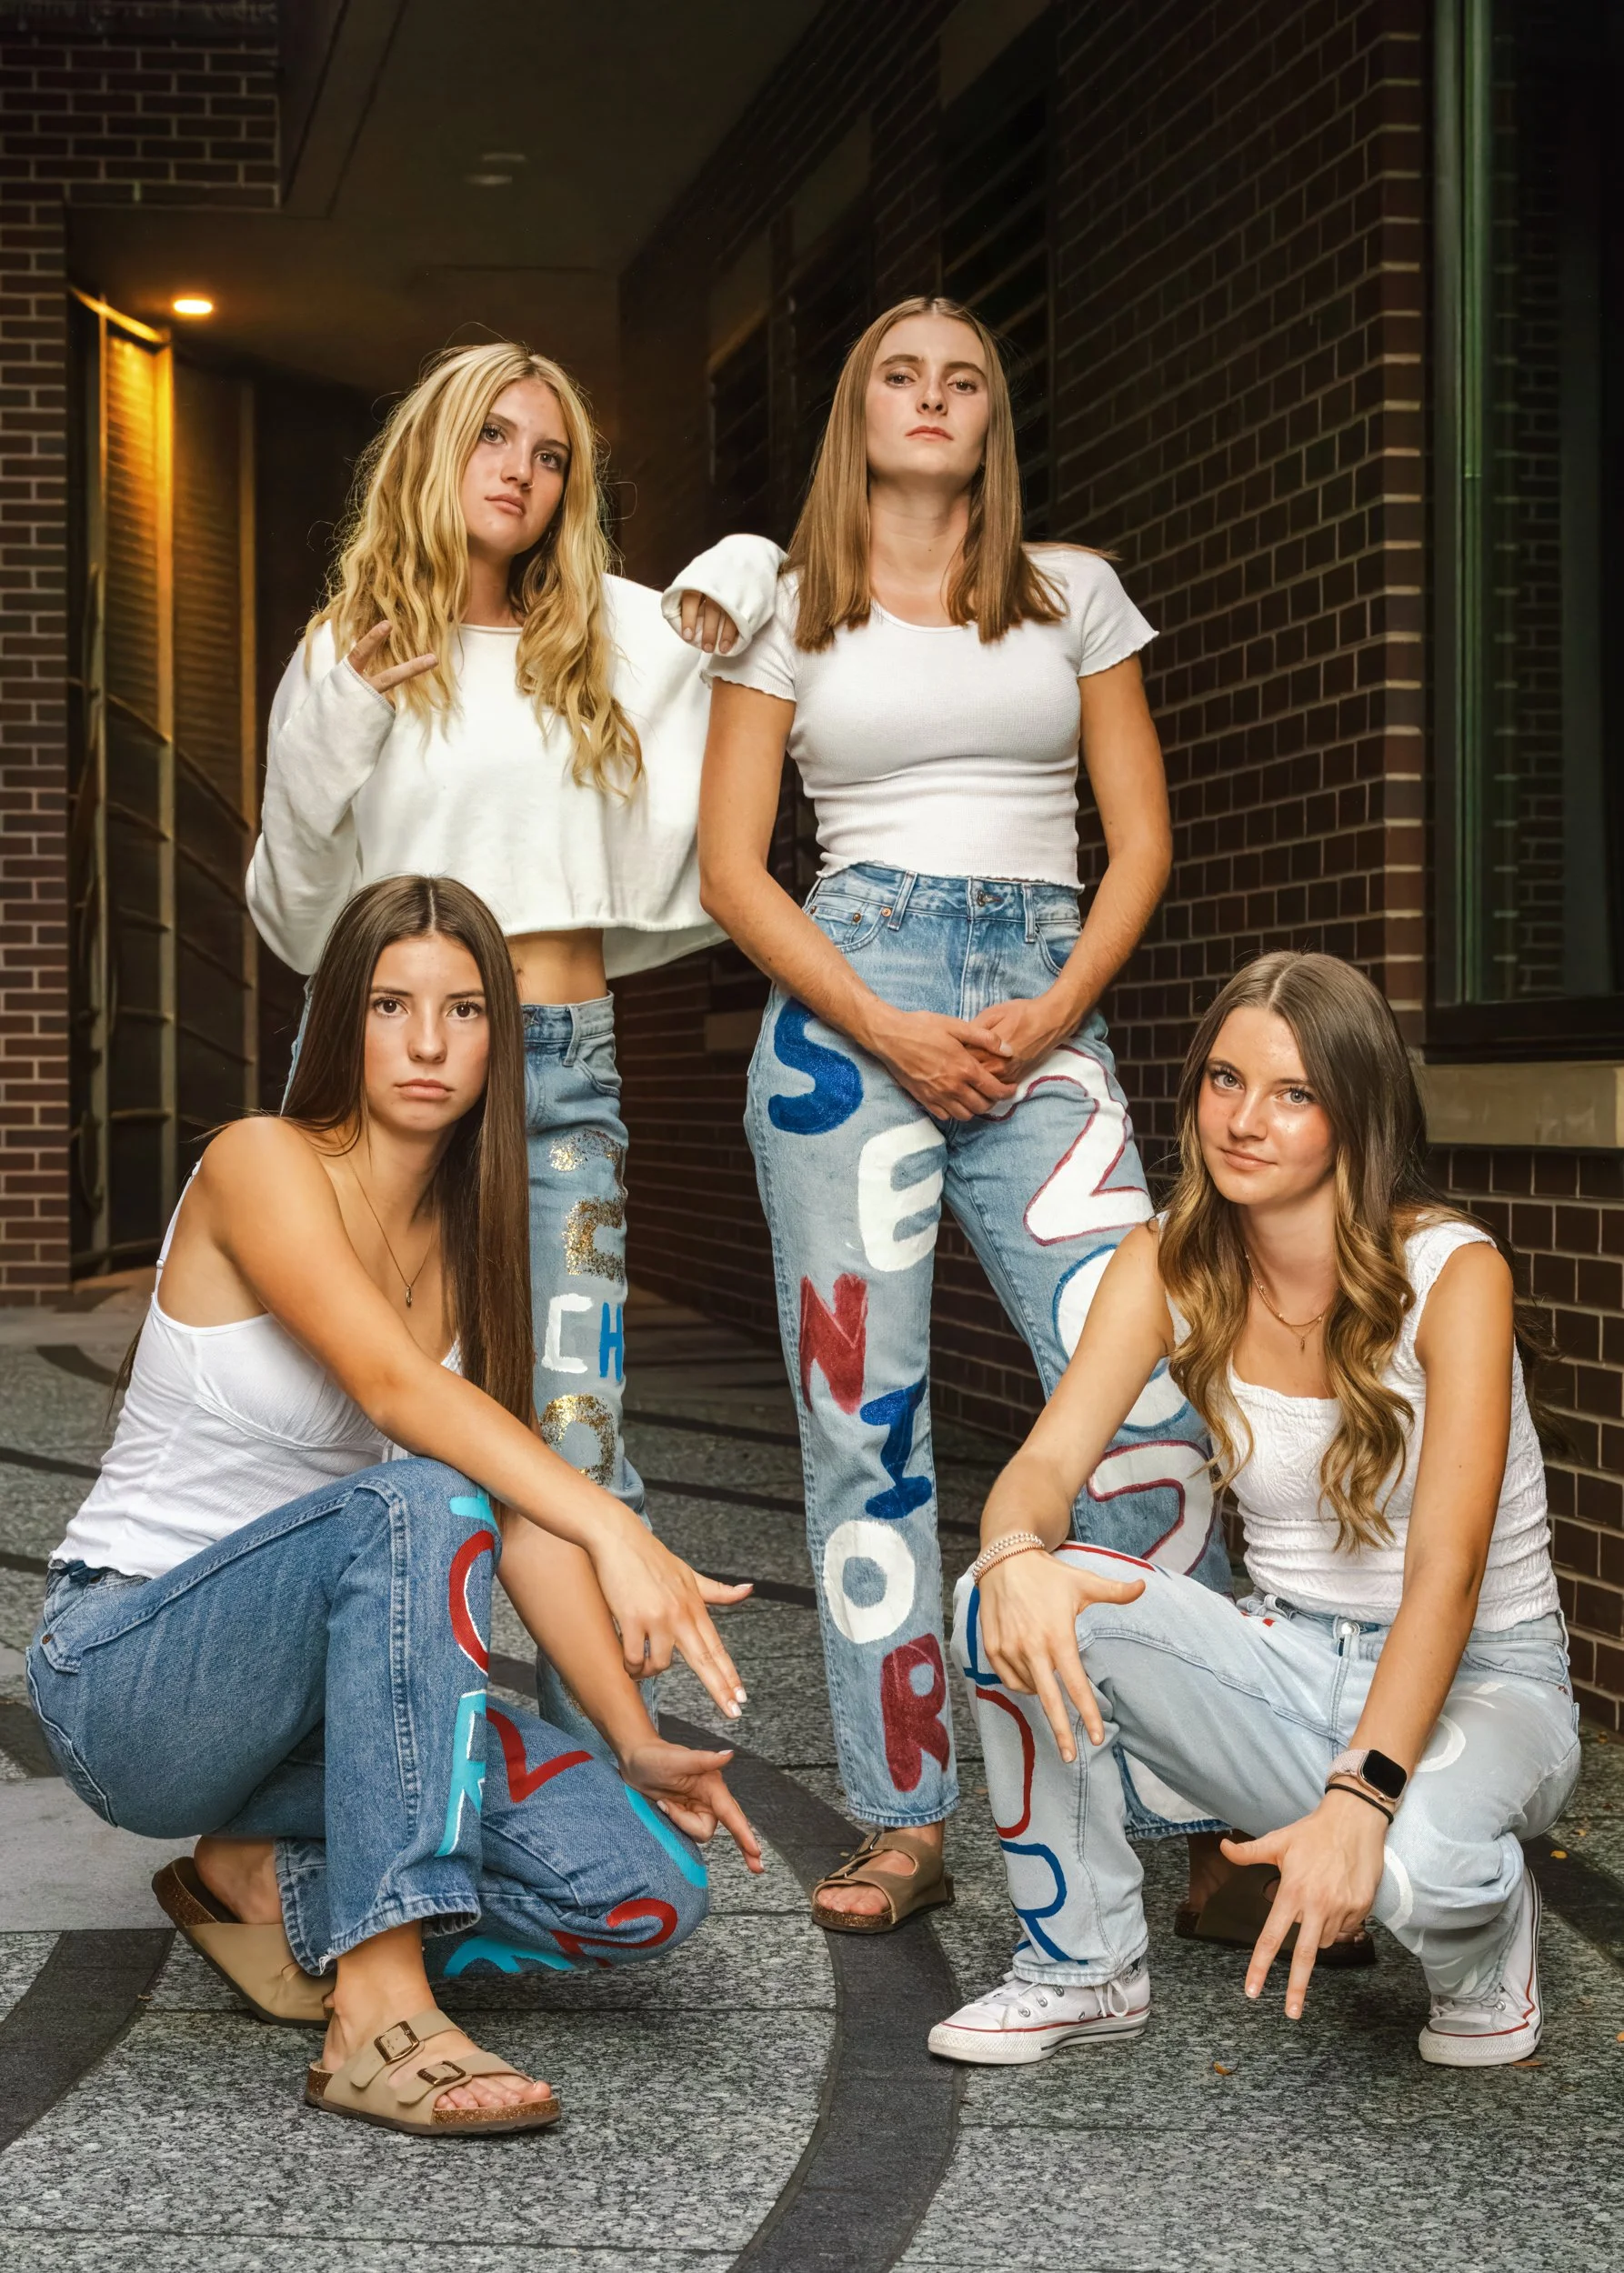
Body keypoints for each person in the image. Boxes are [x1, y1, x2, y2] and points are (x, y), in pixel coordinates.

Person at [27, 876, 763, 2139]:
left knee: (645, 1888)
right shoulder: (258, 1162)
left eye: (466, 1009)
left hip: (333, 1714)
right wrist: (617, 1522)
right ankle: (379, 2003)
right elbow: (390, 1389)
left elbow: (518, 1519)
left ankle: (262, 1882)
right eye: (391, 1005)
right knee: (414, 1500)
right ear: (340, 1025)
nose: (428, 1044)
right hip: (134, 1676)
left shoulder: (477, 1259)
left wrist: (634, 1737)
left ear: (500, 1038)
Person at [697, 294, 1228, 1934]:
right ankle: (904, 1813)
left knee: (1147, 1403)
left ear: (993, 421)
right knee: (870, 1438)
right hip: (848, 1020)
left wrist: (1056, 1008)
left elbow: (1136, 841)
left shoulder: (1072, 594)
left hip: (1037, 1006)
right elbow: (730, 868)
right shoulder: (788, 606)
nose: (930, 400)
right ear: (857, 412)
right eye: (899, 377)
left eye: (964, 381)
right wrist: (887, 1027)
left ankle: (1200, 1807)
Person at [246, 343, 781, 1733]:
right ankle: (367, 1748)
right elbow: (295, 903)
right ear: (435, 448)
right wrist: (349, 710)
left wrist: (737, 563)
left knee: (577, 1430)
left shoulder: (609, 632)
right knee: (368, 1420)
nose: (521, 473)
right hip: (388, 1075)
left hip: (556, 1064)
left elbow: (783, 601)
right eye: (494, 437)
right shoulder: (354, 644)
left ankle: (602, 1764)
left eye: (550, 455)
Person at [930, 951, 1578, 2069]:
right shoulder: (1170, 1262)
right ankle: (1080, 1966)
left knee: (1413, 1866)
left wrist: (1362, 1798)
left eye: (1291, 1093)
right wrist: (1012, 1551)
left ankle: (1486, 1936)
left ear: (1353, 1114)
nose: (1243, 1119)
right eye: (1224, 1080)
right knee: (1006, 1600)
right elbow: (1039, 1469)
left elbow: (1449, 1575)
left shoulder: (1451, 1273)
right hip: (1285, 1669)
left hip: (1484, 1677)